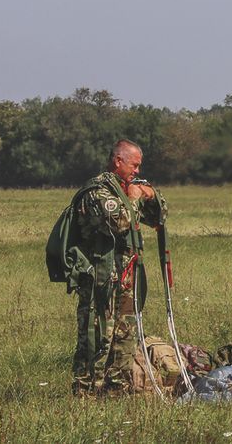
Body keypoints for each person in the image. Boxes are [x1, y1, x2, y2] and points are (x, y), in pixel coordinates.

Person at [68, 139, 166, 394]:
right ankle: (86, 395)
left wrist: (151, 195)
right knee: (97, 340)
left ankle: (117, 392)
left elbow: (158, 218)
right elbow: (117, 223)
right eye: (134, 165)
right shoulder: (97, 192)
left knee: (125, 338)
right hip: (100, 281)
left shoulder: (126, 190)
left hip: (125, 280)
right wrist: (133, 199)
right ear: (118, 161)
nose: (137, 171)